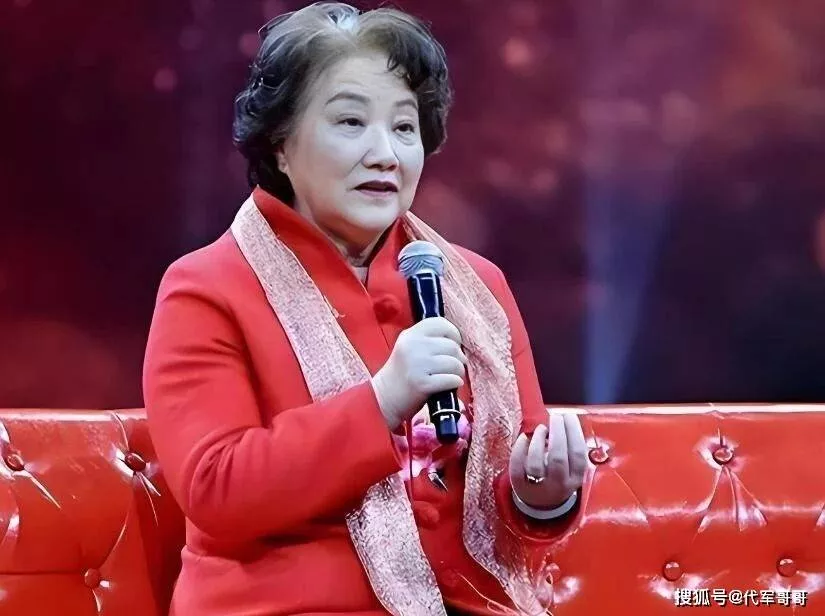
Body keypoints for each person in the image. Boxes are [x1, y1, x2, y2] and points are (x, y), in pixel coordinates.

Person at [143, 3, 587, 615]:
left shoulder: (477, 287)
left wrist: (543, 496)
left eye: (404, 128)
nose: (385, 154)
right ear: (280, 144)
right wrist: (382, 401)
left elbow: (511, 499)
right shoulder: (206, 289)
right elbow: (218, 490)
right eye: (351, 122)